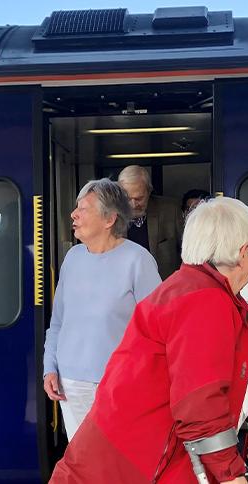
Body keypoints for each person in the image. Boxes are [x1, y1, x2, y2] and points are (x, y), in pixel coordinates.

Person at [50, 197, 248, 484]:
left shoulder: (204, 294)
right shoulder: (204, 303)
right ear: (242, 253)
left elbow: (233, 393)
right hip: (133, 466)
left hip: (140, 459)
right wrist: (230, 476)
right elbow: (200, 404)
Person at [43, 178, 161, 440]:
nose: (73, 214)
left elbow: (158, 330)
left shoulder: (138, 260)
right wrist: (49, 366)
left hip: (120, 384)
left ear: (109, 220)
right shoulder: (72, 259)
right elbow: (58, 322)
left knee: (120, 462)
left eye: (83, 208)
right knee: (84, 463)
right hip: (71, 384)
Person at [118, 165, 183, 279]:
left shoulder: (170, 211)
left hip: (164, 287)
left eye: (139, 198)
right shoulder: (111, 216)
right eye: (127, 198)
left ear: (149, 191)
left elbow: (188, 254)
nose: (133, 205)